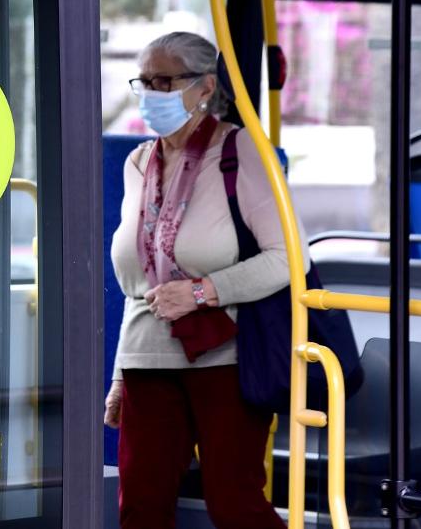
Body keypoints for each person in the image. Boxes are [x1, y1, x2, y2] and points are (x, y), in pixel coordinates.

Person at [105, 31, 304, 529]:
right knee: (141, 507)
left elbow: (287, 259)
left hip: (226, 357)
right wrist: (116, 379)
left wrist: (201, 293)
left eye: (164, 80)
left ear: (203, 87)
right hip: (146, 360)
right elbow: (140, 283)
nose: (151, 92)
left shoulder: (241, 153)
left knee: (234, 504)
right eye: (144, 81)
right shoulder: (139, 163)